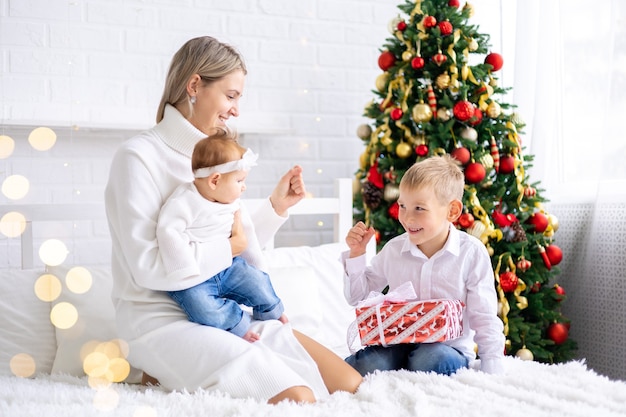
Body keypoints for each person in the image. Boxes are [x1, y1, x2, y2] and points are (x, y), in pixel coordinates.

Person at [105, 36, 362, 404]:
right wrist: (229, 248)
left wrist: (275, 208)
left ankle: (163, 376)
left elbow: (239, 243)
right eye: (231, 95)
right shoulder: (138, 158)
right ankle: (159, 366)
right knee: (299, 399)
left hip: (223, 312)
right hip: (162, 321)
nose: (236, 110)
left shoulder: (221, 157)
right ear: (195, 85)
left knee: (351, 385)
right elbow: (148, 268)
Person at [342, 155, 505, 376]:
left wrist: (492, 368)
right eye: (402, 206)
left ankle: (407, 369)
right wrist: (357, 255)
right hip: (397, 345)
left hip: (447, 349)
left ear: (452, 211)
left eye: (419, 208)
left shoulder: (471, 253)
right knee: (367, 365)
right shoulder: (394, 250)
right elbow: (358, 297)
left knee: (429, 358)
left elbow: (484, 317)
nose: (407, 218)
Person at [157, 130, 287, 343]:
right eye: (239, 180)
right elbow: (168, 233)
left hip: (230, 267)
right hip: (196, 279)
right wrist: (185, 271)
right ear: (215, 180)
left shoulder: (234, 204)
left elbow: (248, 238)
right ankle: (237, 324)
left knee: (258, 284)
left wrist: (257, 267)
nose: (244, 187)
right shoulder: (184, 202)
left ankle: (271, 314)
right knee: (201, 306)